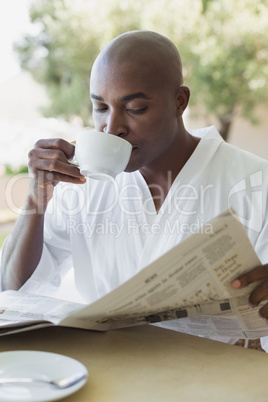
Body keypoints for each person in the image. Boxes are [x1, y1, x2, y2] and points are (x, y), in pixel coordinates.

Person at [1, 30, 268, 349]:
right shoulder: (83, 182)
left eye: (136, 108)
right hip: (108, 374)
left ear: (179, 102)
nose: (112, 128)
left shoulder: (254, 183)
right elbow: (15, 290)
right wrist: (36, 198)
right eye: (100, 108)